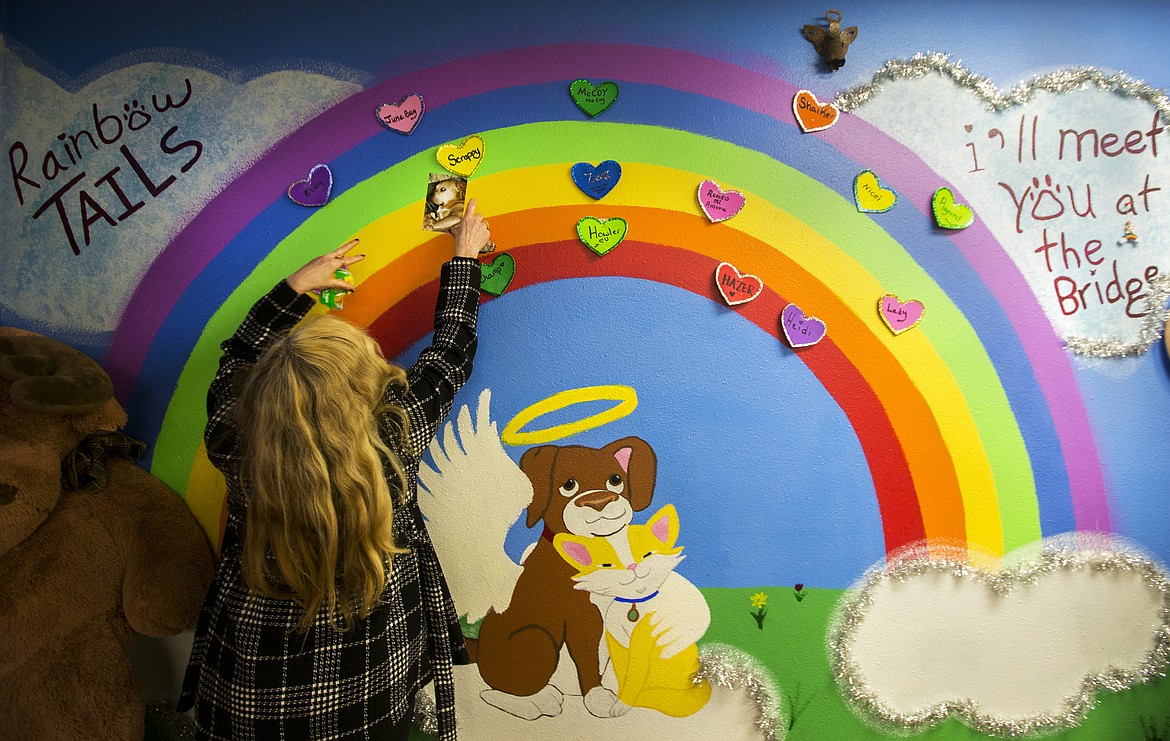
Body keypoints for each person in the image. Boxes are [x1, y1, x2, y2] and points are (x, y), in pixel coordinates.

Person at [178, 200, 492, 740]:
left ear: (262, 395)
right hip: (370, 688)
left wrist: (294, 287)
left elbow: (237, 354)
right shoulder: (394, 437)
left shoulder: (236, 443)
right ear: (366, 393)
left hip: (252, 697)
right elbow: (450, 356)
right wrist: (464, 257)